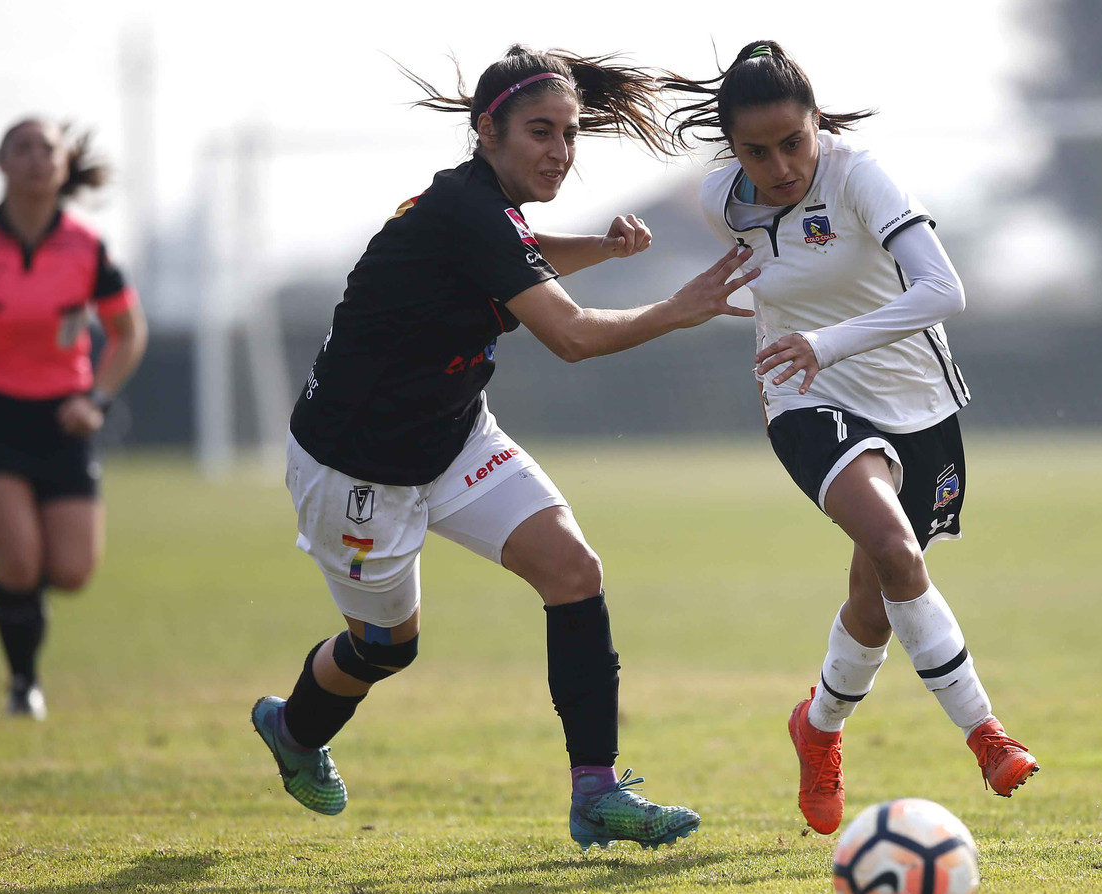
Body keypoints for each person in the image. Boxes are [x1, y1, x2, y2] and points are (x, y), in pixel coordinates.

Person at [251, 45, 757, 851]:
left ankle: (595, 791)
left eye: (569, 134)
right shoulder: (466, 210)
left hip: (453, 437)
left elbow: (515, 255)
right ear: (487, 131)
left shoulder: (486, 211)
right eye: (539, 132)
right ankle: (294, 727)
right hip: (357, 467)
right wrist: (680, 306)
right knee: (386, 647)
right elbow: (572, 335)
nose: (559, 151)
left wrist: (600, 246)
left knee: (573, 570)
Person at [663, 41, 1038, 835]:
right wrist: (773, 327)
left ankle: (818, 726)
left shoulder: (860, 174)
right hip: (805, 394)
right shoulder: (719, 200)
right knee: (898, 555)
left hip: (917, 403)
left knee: (873, 600)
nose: (779, 164)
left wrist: (825, 336)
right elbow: (765, 276)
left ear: (816, 125)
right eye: (756, 150)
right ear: (732, 148)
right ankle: (986, 732)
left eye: (793, 141)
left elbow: (946, 290)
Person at [0, 119, 148, 720]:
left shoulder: (86, 245)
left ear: (63, 164)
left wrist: (97, 400)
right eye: (21, 148)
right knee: (21, 561)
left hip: (65, 420)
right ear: (2, 163)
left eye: (46, 149)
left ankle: (19, 604)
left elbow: (128, 334)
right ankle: (22, 685)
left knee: (72, 571)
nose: (34, 159)